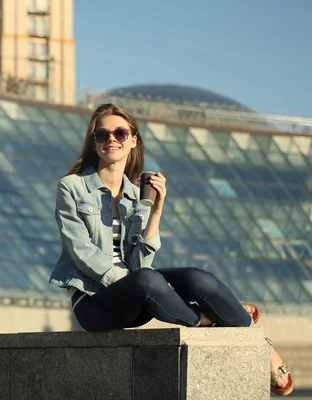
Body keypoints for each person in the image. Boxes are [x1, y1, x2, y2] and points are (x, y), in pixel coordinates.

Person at [49, 103, 294, 396]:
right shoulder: (72, 187)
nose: (111, 139)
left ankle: (258, 344)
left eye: (120, 132)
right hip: (94, 303)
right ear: (94, 142)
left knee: (196, 277)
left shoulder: (135, 195)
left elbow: (141, 262)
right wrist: (131, 281)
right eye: (102, 134)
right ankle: (207, 320)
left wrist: (156, 211)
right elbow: (81, 251)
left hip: (137, 291)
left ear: (133, 140)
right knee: (148, 279)